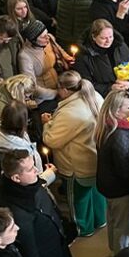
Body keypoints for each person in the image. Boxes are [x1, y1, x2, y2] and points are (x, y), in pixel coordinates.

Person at [0, 148, 80, 257]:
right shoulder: (17, 212)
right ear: (16, 178)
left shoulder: (29, 185)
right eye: (30, 169)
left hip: (59, 250)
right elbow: (30, 252)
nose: (36, 170)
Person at [43, 71, 105, 237]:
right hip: (96, 157)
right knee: (97, 192)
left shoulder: (69, 112)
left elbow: (51, 140)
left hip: (76, 166)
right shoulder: (95, 96)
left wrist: (47, 124)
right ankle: (101, 219)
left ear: (64, 90)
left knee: (79, 199)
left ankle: (84, 229)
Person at [94, 90, 129, 253]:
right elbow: (125, 170)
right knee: (123, 225)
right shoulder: (119, 137)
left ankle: (114, 249)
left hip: (107, 183)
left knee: (113, 220)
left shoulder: (106, 127)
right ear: (117, 110)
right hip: (119, 188)